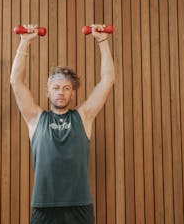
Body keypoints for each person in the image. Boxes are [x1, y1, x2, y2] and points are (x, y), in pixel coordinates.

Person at [10, 24, 115, 224]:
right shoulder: (35, 118)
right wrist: (24, 42)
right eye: (56, 87)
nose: (61, 92)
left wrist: (102, 41)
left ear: (72, 93)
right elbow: (16, 81)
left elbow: (108, 79)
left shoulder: (83, 117)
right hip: (44, 206)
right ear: (47, 92)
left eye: (66, 88)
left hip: (79, 206)